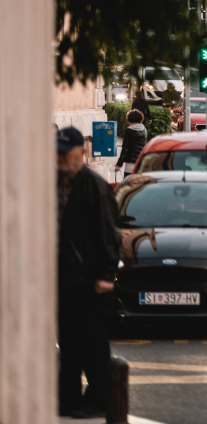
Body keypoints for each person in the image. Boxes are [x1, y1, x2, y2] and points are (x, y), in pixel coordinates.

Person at [57, 126, 121, 419]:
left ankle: (99, 398)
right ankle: (68, 399)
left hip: (90, 279)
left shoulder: (93, 185)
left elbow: (109, 232)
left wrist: (107, 274)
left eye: (65, 153)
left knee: (93, 343)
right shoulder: (55, 183)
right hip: (64, 279)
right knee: (68, 342)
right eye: (57, 153)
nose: (60, 158)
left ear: (80, 153)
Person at [115, 109, 148, 179]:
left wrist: (119, 165)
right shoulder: (144, 130)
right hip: (141, 164)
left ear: (129, 120)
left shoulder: (129, 131)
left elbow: (125, 149)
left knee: (128, 187)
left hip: (130, 166)